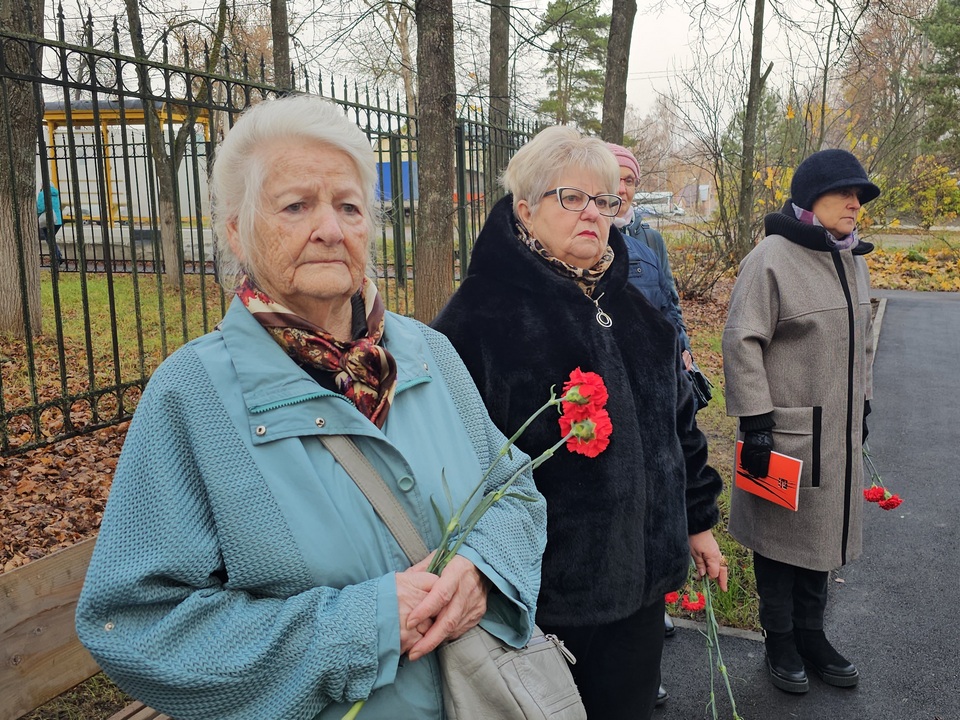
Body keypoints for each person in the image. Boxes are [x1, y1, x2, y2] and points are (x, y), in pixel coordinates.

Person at [76, 94, 548, 720]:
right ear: (237, 233)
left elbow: (514, 490)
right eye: (296, 205)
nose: (330, 228)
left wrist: (485, 568)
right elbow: (138, 625)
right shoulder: (191, 396)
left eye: (348, 206)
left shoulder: (428, 352)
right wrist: (367, 625)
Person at [431, 124, 727, 720]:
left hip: (639, 596)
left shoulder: (640, 313)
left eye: (606, 200)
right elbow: (447, 466)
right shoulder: (475, 321)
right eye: (572, 198)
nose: (593, 213)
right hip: (541, 602)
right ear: (524, 208)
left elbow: (680, 429)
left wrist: (697, 521)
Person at [722, 148, 878, 694]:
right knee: (779, 540)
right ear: (811, 197)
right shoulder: (772, 257)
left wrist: (863, 404)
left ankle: (813, 634)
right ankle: (779, 639)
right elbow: (741, 340)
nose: (855, 203)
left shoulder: (852, 258)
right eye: (845, 193)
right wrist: (756, 421)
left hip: (834, 432)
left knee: (820, 537)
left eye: (859, 195)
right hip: (786, 432)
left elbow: (860, 345)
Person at [37, 184, 63, 266]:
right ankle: (58, 256)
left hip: (47, 220)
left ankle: (57, 258)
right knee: (51, 239)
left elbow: (40, 207)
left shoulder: (42, 194)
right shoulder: (55, 194)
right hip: (57, 221)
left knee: (49, 240)